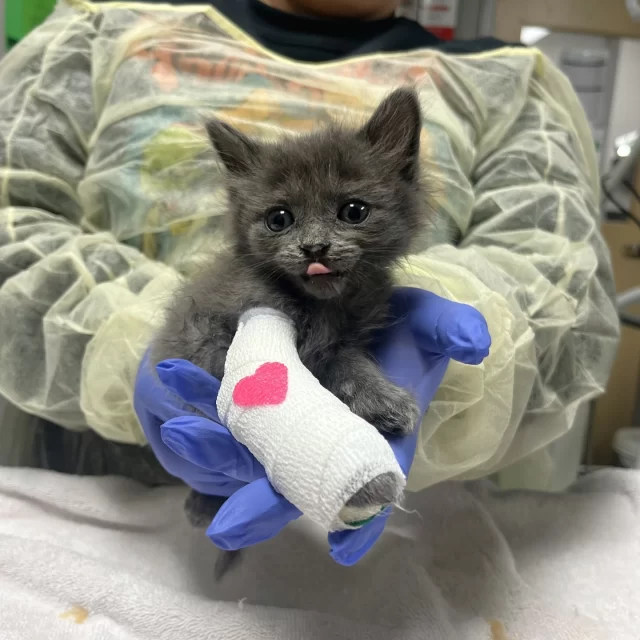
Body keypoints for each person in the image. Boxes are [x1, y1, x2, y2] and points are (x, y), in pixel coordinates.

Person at [0, 0, 619, 560]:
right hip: (102, 520)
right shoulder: (99, 28)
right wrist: (125, 347)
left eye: (351, 212)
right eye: (280, 219)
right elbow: (13, 224)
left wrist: (458, 350)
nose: (317, 242)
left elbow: (557, 279)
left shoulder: (506, 77)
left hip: (415, 538)